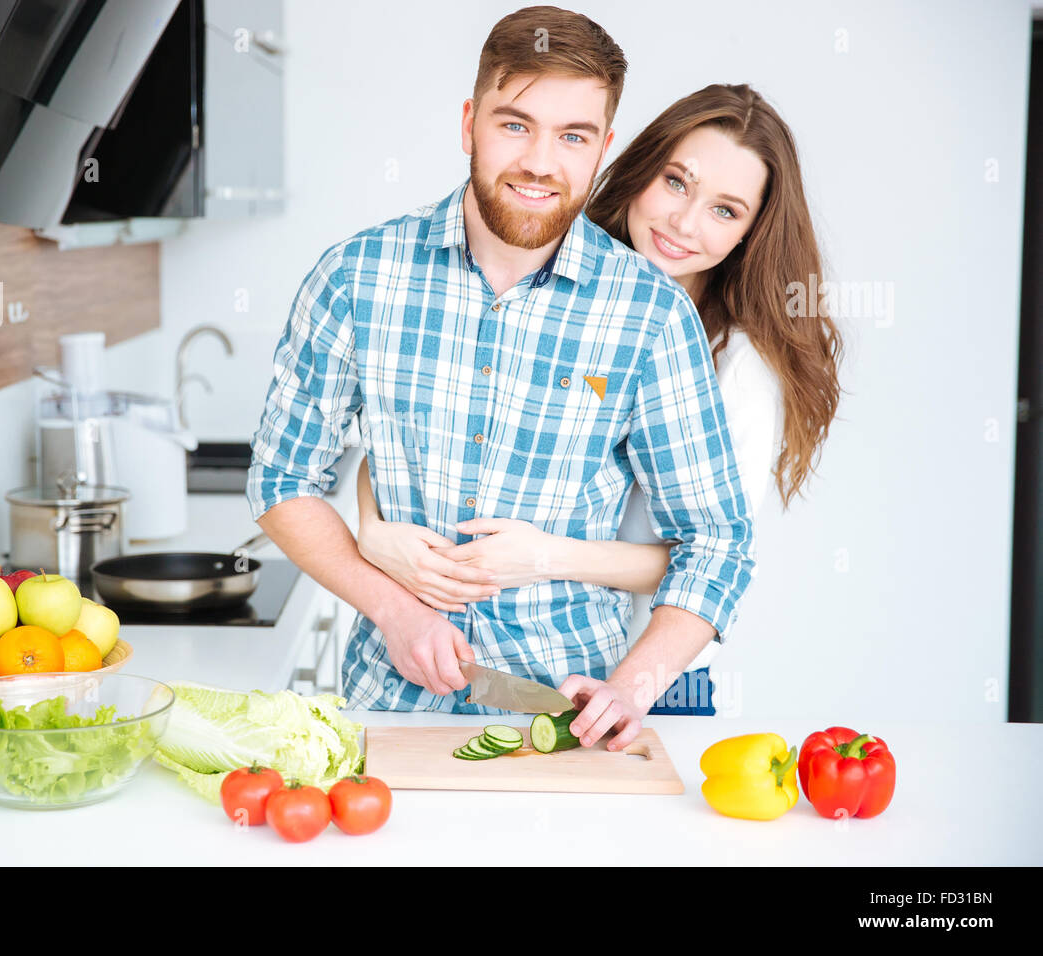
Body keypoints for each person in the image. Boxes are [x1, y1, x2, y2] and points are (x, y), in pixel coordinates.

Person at [247, 6, 755, 751]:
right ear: (469, 124)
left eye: (573, 137)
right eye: (515, 125)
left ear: (603, 148)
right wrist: (394, 609)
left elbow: (717, 544)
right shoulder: (356, 277)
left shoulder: (650, 315)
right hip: (389, 711)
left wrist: (630, 686)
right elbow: (281, 480)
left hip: (567, 721)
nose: (541, 162)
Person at [353, 83, 844, 717]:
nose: (683, 222)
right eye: (676, 183)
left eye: (725, 210)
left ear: (752, 233)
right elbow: (415, 434)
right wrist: (373, 531)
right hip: (491, 672)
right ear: (640, 170)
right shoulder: (546, 278)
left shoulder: (740, 368)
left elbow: (712, 549)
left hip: (642, 679)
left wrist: (541, 557)